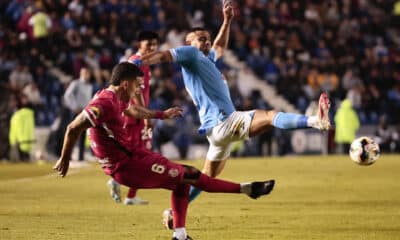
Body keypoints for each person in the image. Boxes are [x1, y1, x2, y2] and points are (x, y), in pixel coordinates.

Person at [131, 0, 331, 226]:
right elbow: (164, 56)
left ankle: (172, 213)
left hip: (216, 131)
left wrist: (226, 21)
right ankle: (316, 121)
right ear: (189, 42)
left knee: (205, 178)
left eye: (207, 38)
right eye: (201, 38)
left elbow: (220, 47)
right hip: (225, 121)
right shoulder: (188, 53)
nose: (206, 41)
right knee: (270, 115)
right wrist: (139, 61)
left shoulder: (205, 60)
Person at [53, 62, 275, 240]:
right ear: (125, 83)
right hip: (125, 166)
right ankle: (248, 189)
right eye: (137, 85)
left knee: (182, 179)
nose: (139, 89)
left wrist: (161, 115)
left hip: (134, 155)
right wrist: (64, 159)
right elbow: (73, 127)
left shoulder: (117, 98)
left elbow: (131, 111)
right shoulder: (104, 102)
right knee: (189, 175)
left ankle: (180, 235)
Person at [107, 31, 160, 205]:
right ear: (139, 45)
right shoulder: (135, 63)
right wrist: (146, 116)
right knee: (136, 154)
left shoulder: (144, 64)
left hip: (137, 115)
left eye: (154, 45)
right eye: (148, 45)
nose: (152, 48)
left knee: (141, 154)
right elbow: (135, 91)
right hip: (133, 117)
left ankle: (130, 195)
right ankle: (116, 178)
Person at [63, 67, 93, 161]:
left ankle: (80, 158)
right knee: (72, 134)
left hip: (85, 113)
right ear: (81, 74)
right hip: (76, 112)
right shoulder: (75, 83)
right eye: (84, 73)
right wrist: (74, 107)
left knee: (83, 136)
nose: (86, 75)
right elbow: (67, 95)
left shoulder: (89, 86)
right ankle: (68, 156)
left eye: (87, 73)